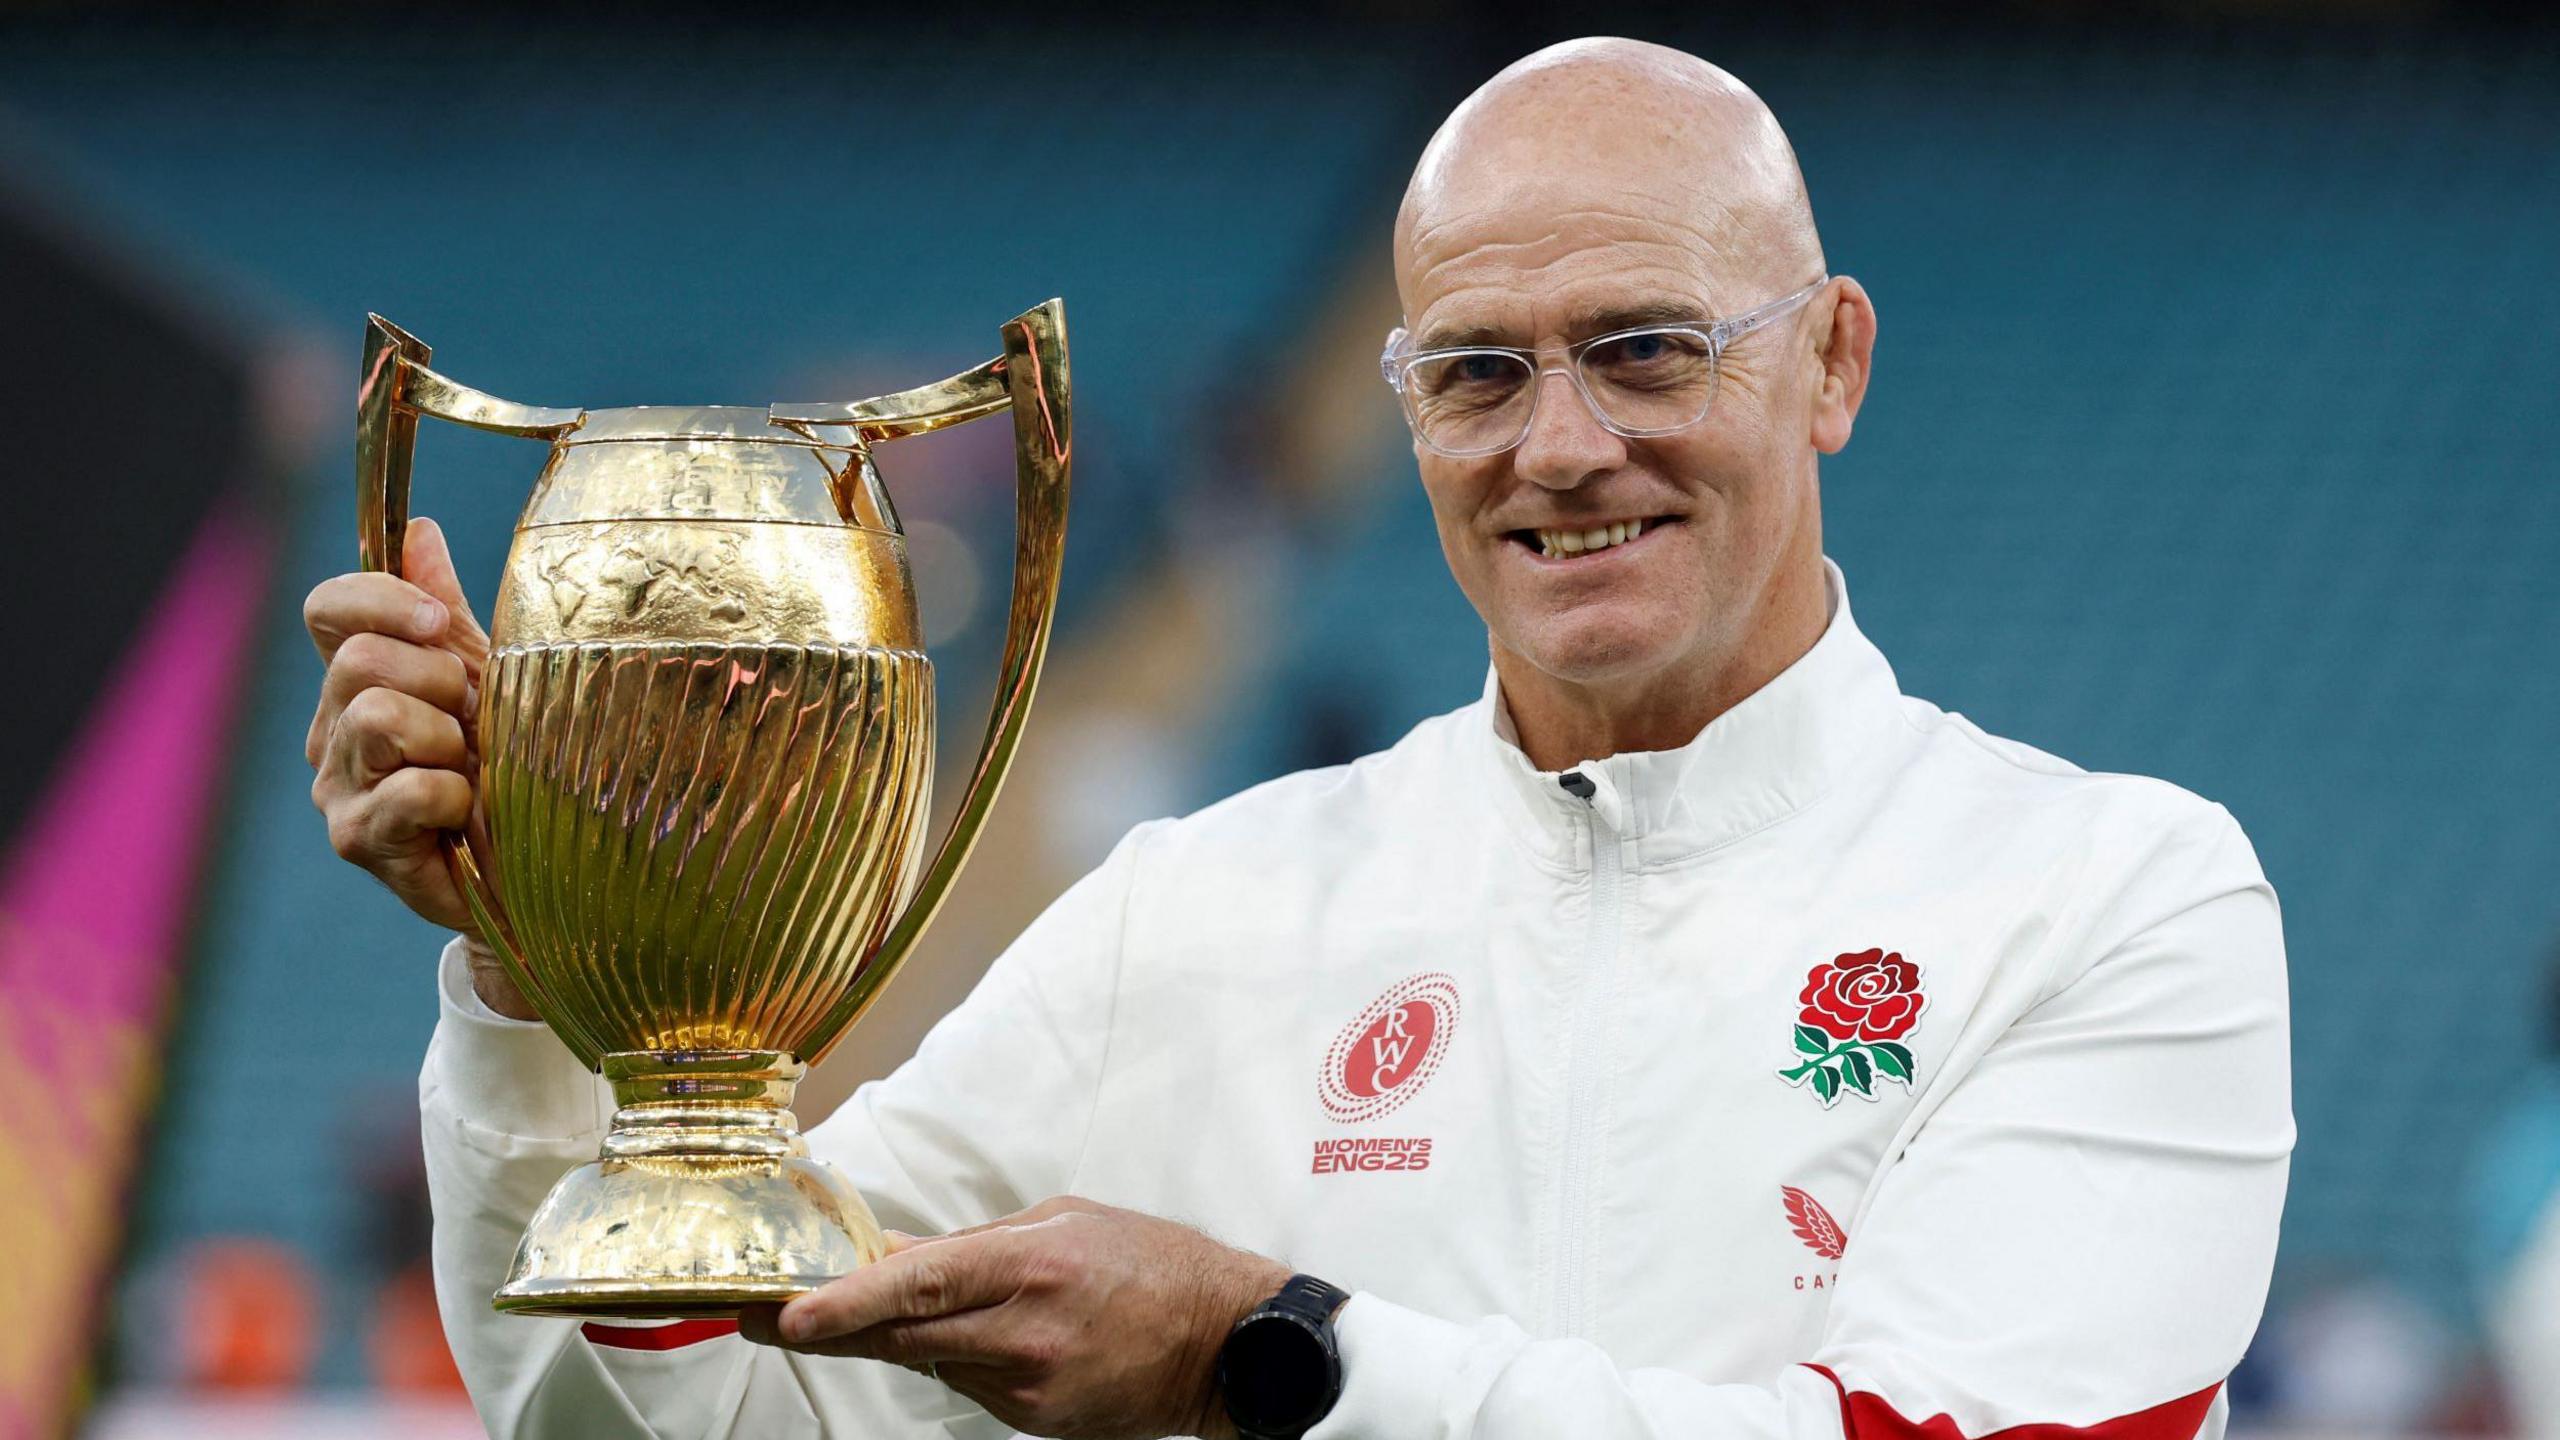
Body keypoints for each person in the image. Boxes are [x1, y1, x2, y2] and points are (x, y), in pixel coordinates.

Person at [304, 37, 2292, 1440]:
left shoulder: (2105, 897)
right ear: (1400, 411)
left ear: (1829, 361)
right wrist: (543, 984)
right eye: (1476, 375)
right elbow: (697, 1418)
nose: (1560, 444)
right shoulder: (1195, 919)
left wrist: (1259, 1361)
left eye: (1644, 349)